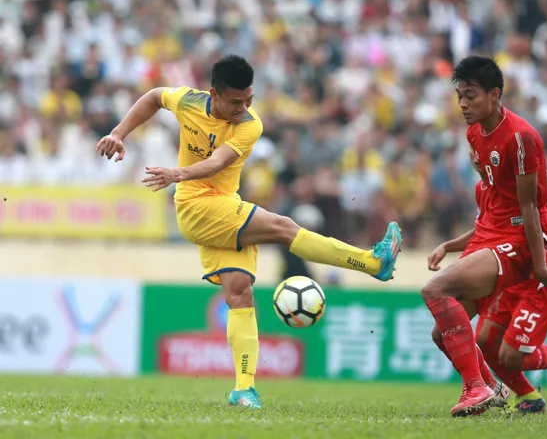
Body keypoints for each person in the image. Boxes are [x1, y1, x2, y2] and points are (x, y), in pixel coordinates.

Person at [96, 55, 403, 409]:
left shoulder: (250, 124)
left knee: (240, 293)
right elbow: (152, 96)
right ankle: (372, 262)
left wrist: (177, 173)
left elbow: (218, 162)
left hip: (221, 204)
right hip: (197, 207)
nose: (245, 107)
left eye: (249, 98)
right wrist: (118, 133)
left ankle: (244, 389)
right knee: (284, 228)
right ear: (213, 93)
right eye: (236, 101)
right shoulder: (188, 101)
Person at [420, 55, 547, 416]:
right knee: (444, 335)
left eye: (470, 96)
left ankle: (478, 388)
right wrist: (451, 245)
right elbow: (500, 203)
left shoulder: (521, 136)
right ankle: (498, 389)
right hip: (491, 238)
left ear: (494, 94)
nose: (463, 105)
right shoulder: (475, 135)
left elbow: (530, 202)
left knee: (436, 292)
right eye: (459, 97)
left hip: (518, 242)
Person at [429, 163, 547, 414]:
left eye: (481, 155)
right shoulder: (483, 188)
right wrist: (448, 246)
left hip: (534, 276)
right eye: (473, 155)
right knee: (482, 342)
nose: (477, 160)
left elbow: (542, 178)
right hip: (505, 279)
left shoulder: (518, 177)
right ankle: (524, 395)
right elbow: (484, 230)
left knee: (511, 356)